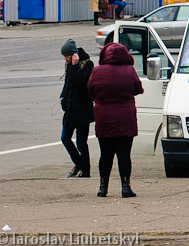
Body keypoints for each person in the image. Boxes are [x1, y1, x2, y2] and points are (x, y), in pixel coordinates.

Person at [88, 42, 142, 198]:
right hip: (125, 117)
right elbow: (137, 88)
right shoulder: (129, 70)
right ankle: (126, 186)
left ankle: (103, 187)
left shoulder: (97, 71)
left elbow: (90, 89)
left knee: (105, 154)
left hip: (104, 117)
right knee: (124, 154)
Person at [59, 39, 94, 178]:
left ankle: (85, 169)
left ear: (73, 55)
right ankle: (79, 163)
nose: (64, 58)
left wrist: (74, 66)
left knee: (81, 142)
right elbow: (68, 85)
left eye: (66, 56)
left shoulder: (87, 64)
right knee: (65, 138)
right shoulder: (69, 65)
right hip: (70, 111)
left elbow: (81, 83)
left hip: (83, 110)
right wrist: (63, 98)